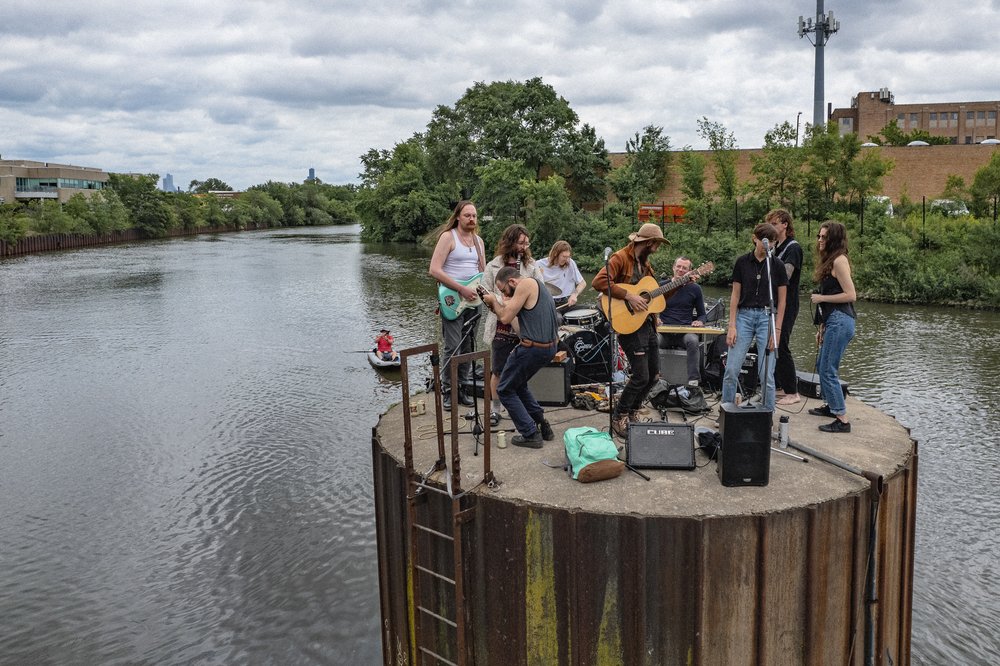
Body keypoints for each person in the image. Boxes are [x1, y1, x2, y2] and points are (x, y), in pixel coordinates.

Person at [591, 222, 669, 438]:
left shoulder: (645, 265)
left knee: (653, 376)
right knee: (640, 376)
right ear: (648, 242)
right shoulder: (619, 258)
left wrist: (681, 283)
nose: (658, 248)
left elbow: (656, 297)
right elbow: (599, 281)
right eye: (656, 244)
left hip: (646, 324)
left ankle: (632, 412)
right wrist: (628, 296)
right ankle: (619, 416)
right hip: (627, 323)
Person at [480, 266, 558, 448]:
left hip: (532, 349)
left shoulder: (525, 284)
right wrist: (497, 305)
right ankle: (542, 425)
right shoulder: (536, 286)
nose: (504, 295)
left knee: (504, 389)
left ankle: (530, 433)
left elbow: (505, 318)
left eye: (504, 290)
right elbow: (512, 317)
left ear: (512, 281)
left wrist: (493, 300)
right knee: (518, 384)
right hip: (548, 348)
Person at [481, 224, 543, 427]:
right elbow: (484, 292)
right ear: (510, 241)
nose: (524, 246)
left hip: (525, 326)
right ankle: (495, 410)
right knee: (498, 370)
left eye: (527, 243)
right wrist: (499, 302)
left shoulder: (532, 266)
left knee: (520, 369)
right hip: (501, 324)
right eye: (521, 242)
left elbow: (541, 291)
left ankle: (517, 406)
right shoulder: (492, 266)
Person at [721, 222, 788, 412]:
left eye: (773, 243)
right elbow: (735, 295)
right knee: (732, 369)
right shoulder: (742, 262)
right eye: (765, 242)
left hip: (768, 317)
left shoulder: (777, 265)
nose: (768, 247)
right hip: (745, 315)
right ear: (755, 239)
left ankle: (767, 414)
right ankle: (726, 411)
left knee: (766, 373)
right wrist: (731, 325)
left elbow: (782, 301)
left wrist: (777, 330)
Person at [428, 200, 486, 410]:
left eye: (474, 216)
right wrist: (461, 289)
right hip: (452, 299)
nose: (472, 219)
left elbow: (483, 272)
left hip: (474, 300)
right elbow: (434, 270)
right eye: (467, 215)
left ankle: (462, 388)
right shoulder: (448, 237)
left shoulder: (479, 241)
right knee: (452, 346)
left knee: (469, 346)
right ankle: (447, 390)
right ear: (458, 217)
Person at [809, 221, 857, 433]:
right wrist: (822, 328)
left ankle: (842, 419)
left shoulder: (839, 261)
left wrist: (821, 297)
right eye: (819, 236)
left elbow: (851, 295)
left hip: (841, 320)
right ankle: (831, 407)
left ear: (834, 239)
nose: (820, 240)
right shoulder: (830, 261)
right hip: (833, 321)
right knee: (822, 365)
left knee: (828, 369)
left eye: (824, 237)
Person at [767, 209, 804, 406]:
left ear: (785, 225)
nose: (771, 228)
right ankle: (780, 385)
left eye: (774, 224)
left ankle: (793, 392)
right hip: (774, 303)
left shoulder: (793, 248)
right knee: (772, 343)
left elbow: (785, 275)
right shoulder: (776, 247)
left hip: (788, 304)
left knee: (782, 344)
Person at [658, 256, 707, 387]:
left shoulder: (695, 289)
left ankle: (693, 382)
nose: (680, 270)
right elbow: (650, 308)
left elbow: (702, 315)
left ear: (690, 271)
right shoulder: (662, 286)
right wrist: (655, 317)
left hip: (684, 332)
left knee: (693, 341)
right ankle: (655, 378)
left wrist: (700, 322)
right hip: (664, 333)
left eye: (684, 268)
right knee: (652, 341)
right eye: (678, 266)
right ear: (673, 267)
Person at [536, 240, 586, 311]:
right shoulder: (539, 265)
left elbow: (582, 283)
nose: (566, 259)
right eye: (564, 256)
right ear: (555, 254)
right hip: (549, 303)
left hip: (568, 302)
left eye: (568, 256)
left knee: (590, 310)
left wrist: (574, 295)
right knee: (558, 319)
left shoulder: (570, 263)